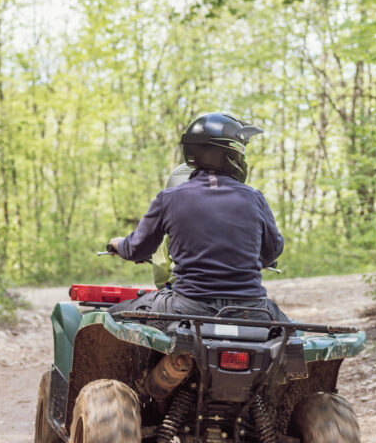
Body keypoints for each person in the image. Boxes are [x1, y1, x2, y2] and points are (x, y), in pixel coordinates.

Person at [106, 112, 288, 325]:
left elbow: (137, 249)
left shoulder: (170, 198)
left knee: (108, 320)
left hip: (188, 307)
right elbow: (272, 251)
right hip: (251, 309)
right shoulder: (254, 198)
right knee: (292, 337)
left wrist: (117, 244)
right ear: (232, 154)